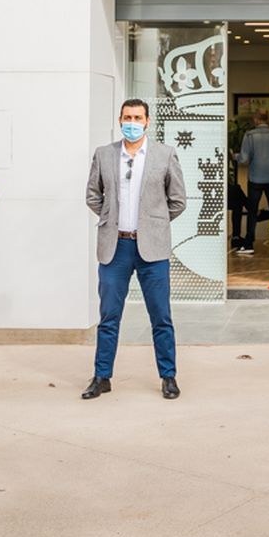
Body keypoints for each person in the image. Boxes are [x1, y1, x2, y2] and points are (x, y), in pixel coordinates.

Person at [82, 99, 187, 400]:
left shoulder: (164, 155)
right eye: (127, 117)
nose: (132, 122)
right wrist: (109, 218)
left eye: (138, 117)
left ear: (147, 121)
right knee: (109, 317)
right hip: (115, 247)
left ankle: (168, 376)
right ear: (120, 120)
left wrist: (155, 222)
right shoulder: (104, 155)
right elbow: (93, 195)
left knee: (161, 317)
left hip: (151, 249)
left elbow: (178, 200)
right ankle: (102, 376)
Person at [235, 110, 269, 256]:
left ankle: (249, 244)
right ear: (268, 119)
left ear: (255, 119)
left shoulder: (250, 135)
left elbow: (244, 158)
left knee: (252, 212)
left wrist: (236, 156)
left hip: (255, 179)